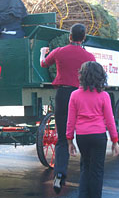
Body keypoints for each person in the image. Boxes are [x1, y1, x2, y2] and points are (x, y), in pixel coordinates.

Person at [40, 23, 96, 194]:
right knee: (84, 134)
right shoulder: (89, 57)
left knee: (63, 138)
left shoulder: (59, 51)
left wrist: (43, 53)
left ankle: (59, 174)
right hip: (81, 95)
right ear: (83, 38)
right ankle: (85, 175)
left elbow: (44, 64)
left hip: (63, 96)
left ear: (70, 36)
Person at [66, 61, 119, 198]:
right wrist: (114, 140)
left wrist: (69, 140)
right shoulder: (104, 96)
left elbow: (71, 121)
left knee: (85, 167)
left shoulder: (75, 95)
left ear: (82, 76)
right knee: (97, 171)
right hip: (99, 136)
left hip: (82, 136)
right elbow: (110, 120)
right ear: (100, 76)